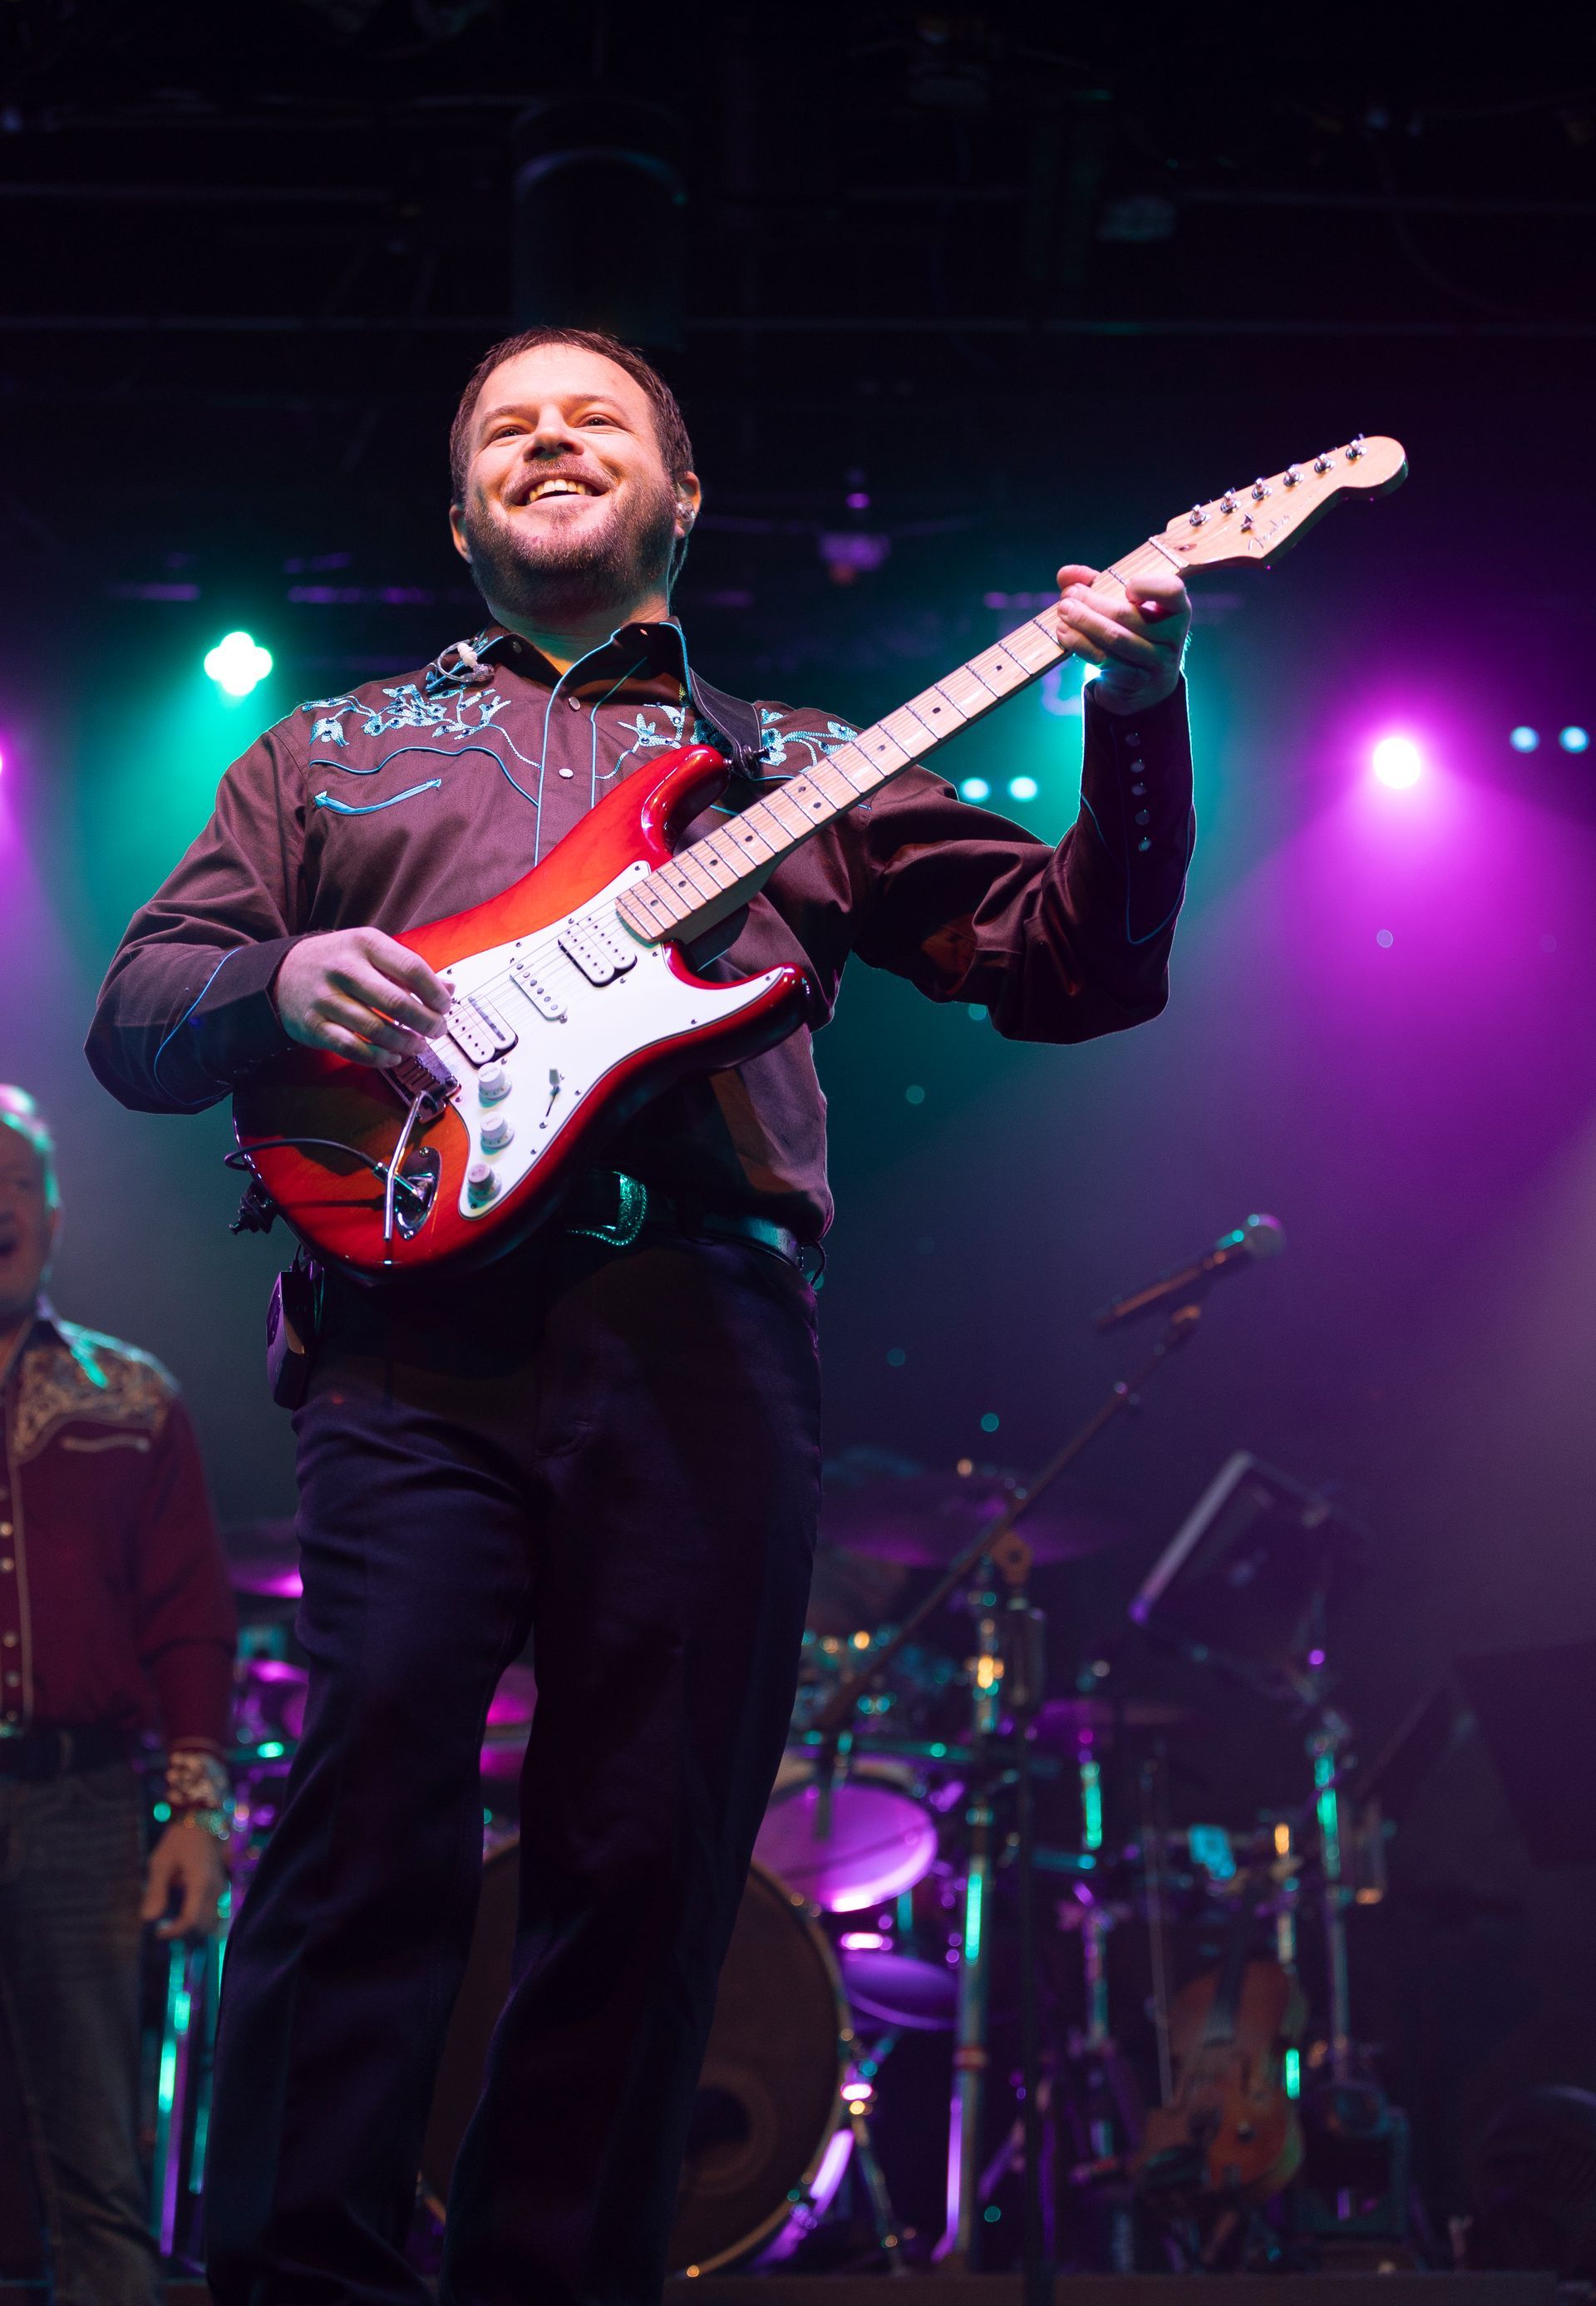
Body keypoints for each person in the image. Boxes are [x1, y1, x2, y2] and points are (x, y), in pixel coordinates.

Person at [86, 325, 1195, 2306]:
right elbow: (140, 1011)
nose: (548, 438)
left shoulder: (794, 761)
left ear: (681, 497)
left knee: (648, 1860)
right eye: (505, 426)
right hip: (407, 1340)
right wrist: (280, 985)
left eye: (596, 415)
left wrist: (1141, 715)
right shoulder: (321, 754)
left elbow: (1073, 969)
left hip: (698, 1330)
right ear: (457, 516)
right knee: (362, 1831)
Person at [0, 1086, 236, 2306]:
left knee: (97, 2166)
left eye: (21, 1182)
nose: (0, 1204)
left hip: (84, 1807)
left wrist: (195, 1811)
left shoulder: (133, 1397)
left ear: (54, 1212)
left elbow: (192, 1619)